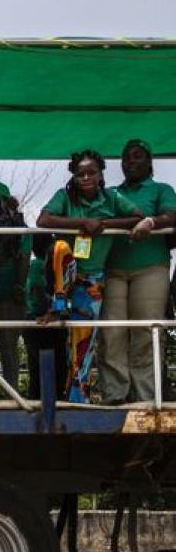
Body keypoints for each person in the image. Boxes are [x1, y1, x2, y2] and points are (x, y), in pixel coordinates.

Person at [36, 149, 142, 403]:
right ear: (73, 177)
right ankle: (59, 304)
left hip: (92, 281)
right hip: (66, 274)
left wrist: (103, 225)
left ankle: (76, 399)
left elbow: (137, 217)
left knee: (81, 345)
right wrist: (81, 224)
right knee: (60, 247)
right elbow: (43, 219)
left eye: (91, 172)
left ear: (100, 174)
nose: (85, 178)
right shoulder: (65, 196)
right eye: (80, 173)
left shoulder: (112, 197)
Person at [100, 139, 176, 404]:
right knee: (112, 332)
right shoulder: (110, 193)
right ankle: (115, 396)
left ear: (149, 163)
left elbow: (172, 216)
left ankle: (145, 397)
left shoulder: (161, 190)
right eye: (125, 158)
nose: (130, 162)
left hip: (150, 269)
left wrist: (150, 222)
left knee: (147, 331)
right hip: (112, 270)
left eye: (137, 157)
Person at [0, 182, 31, 392]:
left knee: (8, 348)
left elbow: (24, 258)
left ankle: (11, 394)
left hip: (9, 298)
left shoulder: (21, 229)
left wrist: (20, 286)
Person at [22, 234, 68, 400]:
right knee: (54, 368)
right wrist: (50, 311)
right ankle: (52, 402)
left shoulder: (35, 264)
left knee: (38, 370)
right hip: (42, 323)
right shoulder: (41, 266)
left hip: (33, 322)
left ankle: (38, 402)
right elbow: (39, 290)